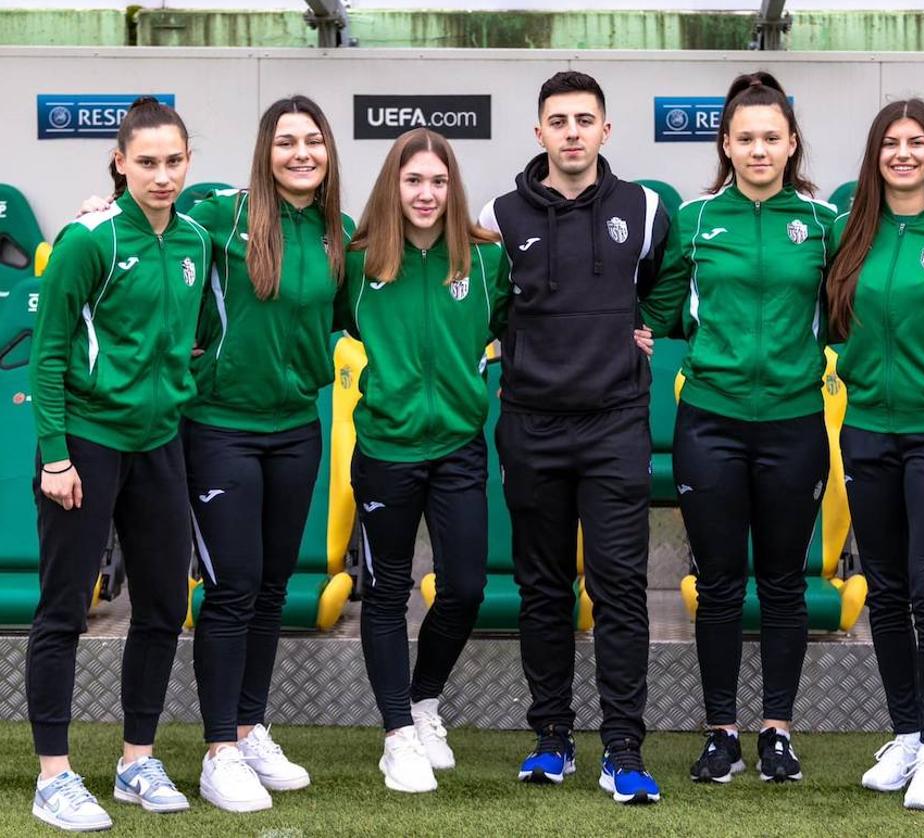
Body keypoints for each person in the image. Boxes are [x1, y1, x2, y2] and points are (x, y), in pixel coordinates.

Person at [478, 70, 677, 805]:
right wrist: (521, 348)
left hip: (616, 423)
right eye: (557, 120)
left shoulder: (645, 208)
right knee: (542, 588)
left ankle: (623, 749)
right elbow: (490, 305)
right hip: (531, 423)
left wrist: (640, 331)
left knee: (621, 590)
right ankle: (551, 739)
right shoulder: (500, 215)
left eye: (583, 120)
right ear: (538, 133)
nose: (571, 132)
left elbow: (670, 274)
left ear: (605, 130)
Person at [642, 71, 835, 785]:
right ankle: (721, 731)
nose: (759, 150)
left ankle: (777, 732)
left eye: (771, 138)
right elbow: (658, 310)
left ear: (791, 144)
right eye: (745, 138)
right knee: (719, 583)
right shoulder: (694, 220)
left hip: (794, 424)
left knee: (783, 583)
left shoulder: (822, 225)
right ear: (725, 143)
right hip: (711, 424)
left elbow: (849, 312)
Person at [26, 96, 210, 832]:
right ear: (119, 161)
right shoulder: (87, 239)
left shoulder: (196, 238)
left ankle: (136, 761)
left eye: (173, 162)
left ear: (187, 161)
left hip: (160, 445)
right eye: (147, 163)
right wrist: (54, 457)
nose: (161, 176)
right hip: (88, 445)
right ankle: (53, 777)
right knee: (64, 609)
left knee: (165, 605)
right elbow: (45, 354)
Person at [182, 96, 353, 812]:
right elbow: (153, 229)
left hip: (296, 428)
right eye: (286, 142)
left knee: (273, 587)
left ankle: (250, 728)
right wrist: (100, 207)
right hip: (219, 425)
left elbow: (375, 303)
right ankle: (218, 750)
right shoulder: (223, 216)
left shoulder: (337, 234)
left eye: (313, 141)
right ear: (266, 150)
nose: (301, 153)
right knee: (232, 586)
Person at [340, 127, 510, 794]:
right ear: (394, 184)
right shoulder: (355, 263)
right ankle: (395, 735)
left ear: (452, 188)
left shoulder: (487, 263)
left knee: (465, 586)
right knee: (386, 593)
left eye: (438, 182)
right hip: (385, 449)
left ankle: (422, 702)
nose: (426, 193)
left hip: (459, 445)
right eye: (414, 180)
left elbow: (529, 323)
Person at [825, 99, 924, 809]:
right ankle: (910, 738)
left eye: (915, 143)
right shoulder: (847, 232)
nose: (902, 154)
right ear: (875, 154)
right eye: (890, 143)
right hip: (866, 429)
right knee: (885, 590)